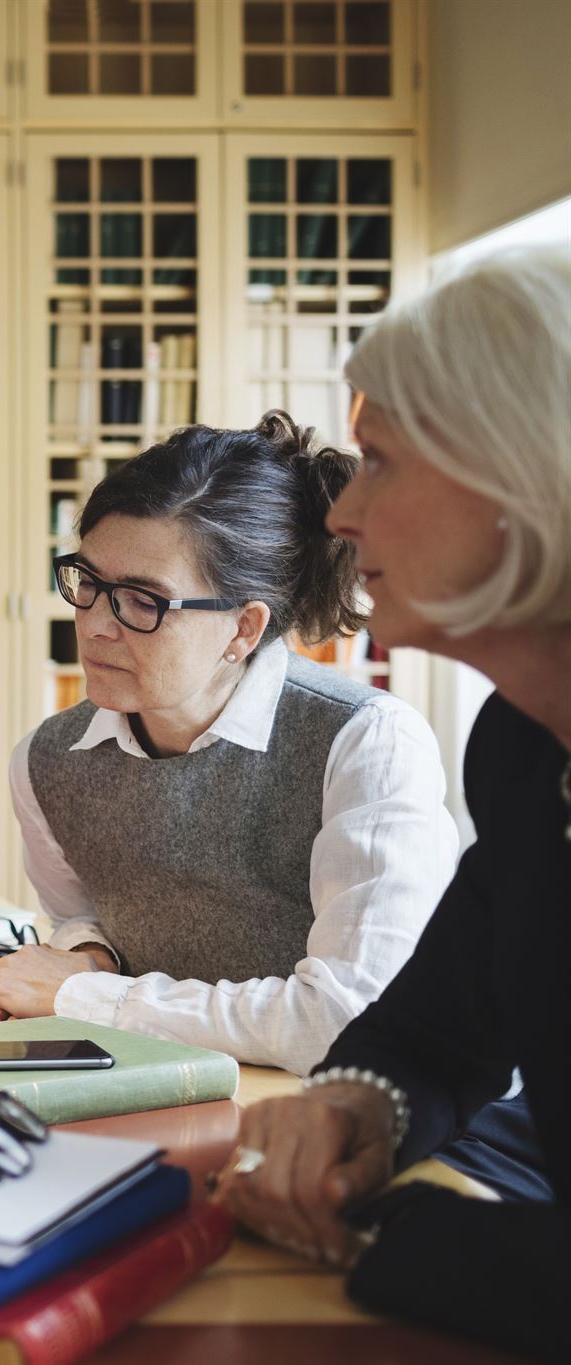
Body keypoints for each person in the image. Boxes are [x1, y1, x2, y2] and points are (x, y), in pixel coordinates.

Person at [0, 410, 544, 1198]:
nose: (94, 625)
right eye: (86, 582)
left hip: (419, 1132)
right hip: (180, 1097)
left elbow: (346, 1018)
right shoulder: (47, 762)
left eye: (142, 601)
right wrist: (89, 953)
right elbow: (84, 915)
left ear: (243, 628)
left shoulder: (366, 742)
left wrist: (80, 993)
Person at [215, 244, 570, 1353]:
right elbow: (435, 1029)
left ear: (525, 477)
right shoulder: (523, 746)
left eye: (377, 462)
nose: (339, 517)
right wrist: (351, 1105)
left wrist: (389, 1234)